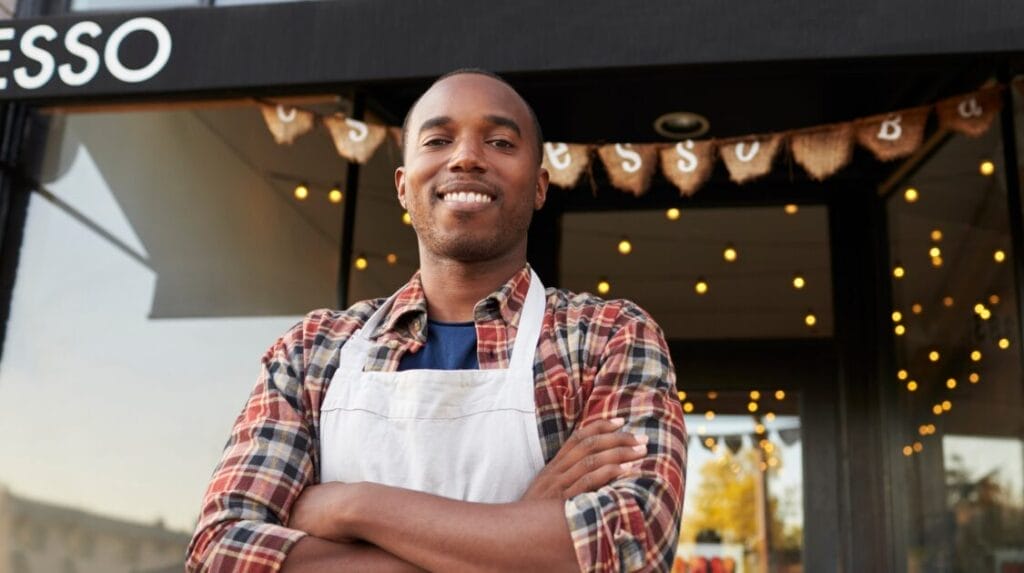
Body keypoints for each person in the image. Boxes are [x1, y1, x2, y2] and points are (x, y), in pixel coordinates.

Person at [186, 68, 687, 572]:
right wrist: (514, 531)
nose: (467, 157)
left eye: (499, 141)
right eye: (438, 139)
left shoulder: (607, 337)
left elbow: (630, 544)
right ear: (403, 187)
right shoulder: (312, 349)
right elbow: (221, 552)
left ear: (539, 187)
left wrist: (354, 506)